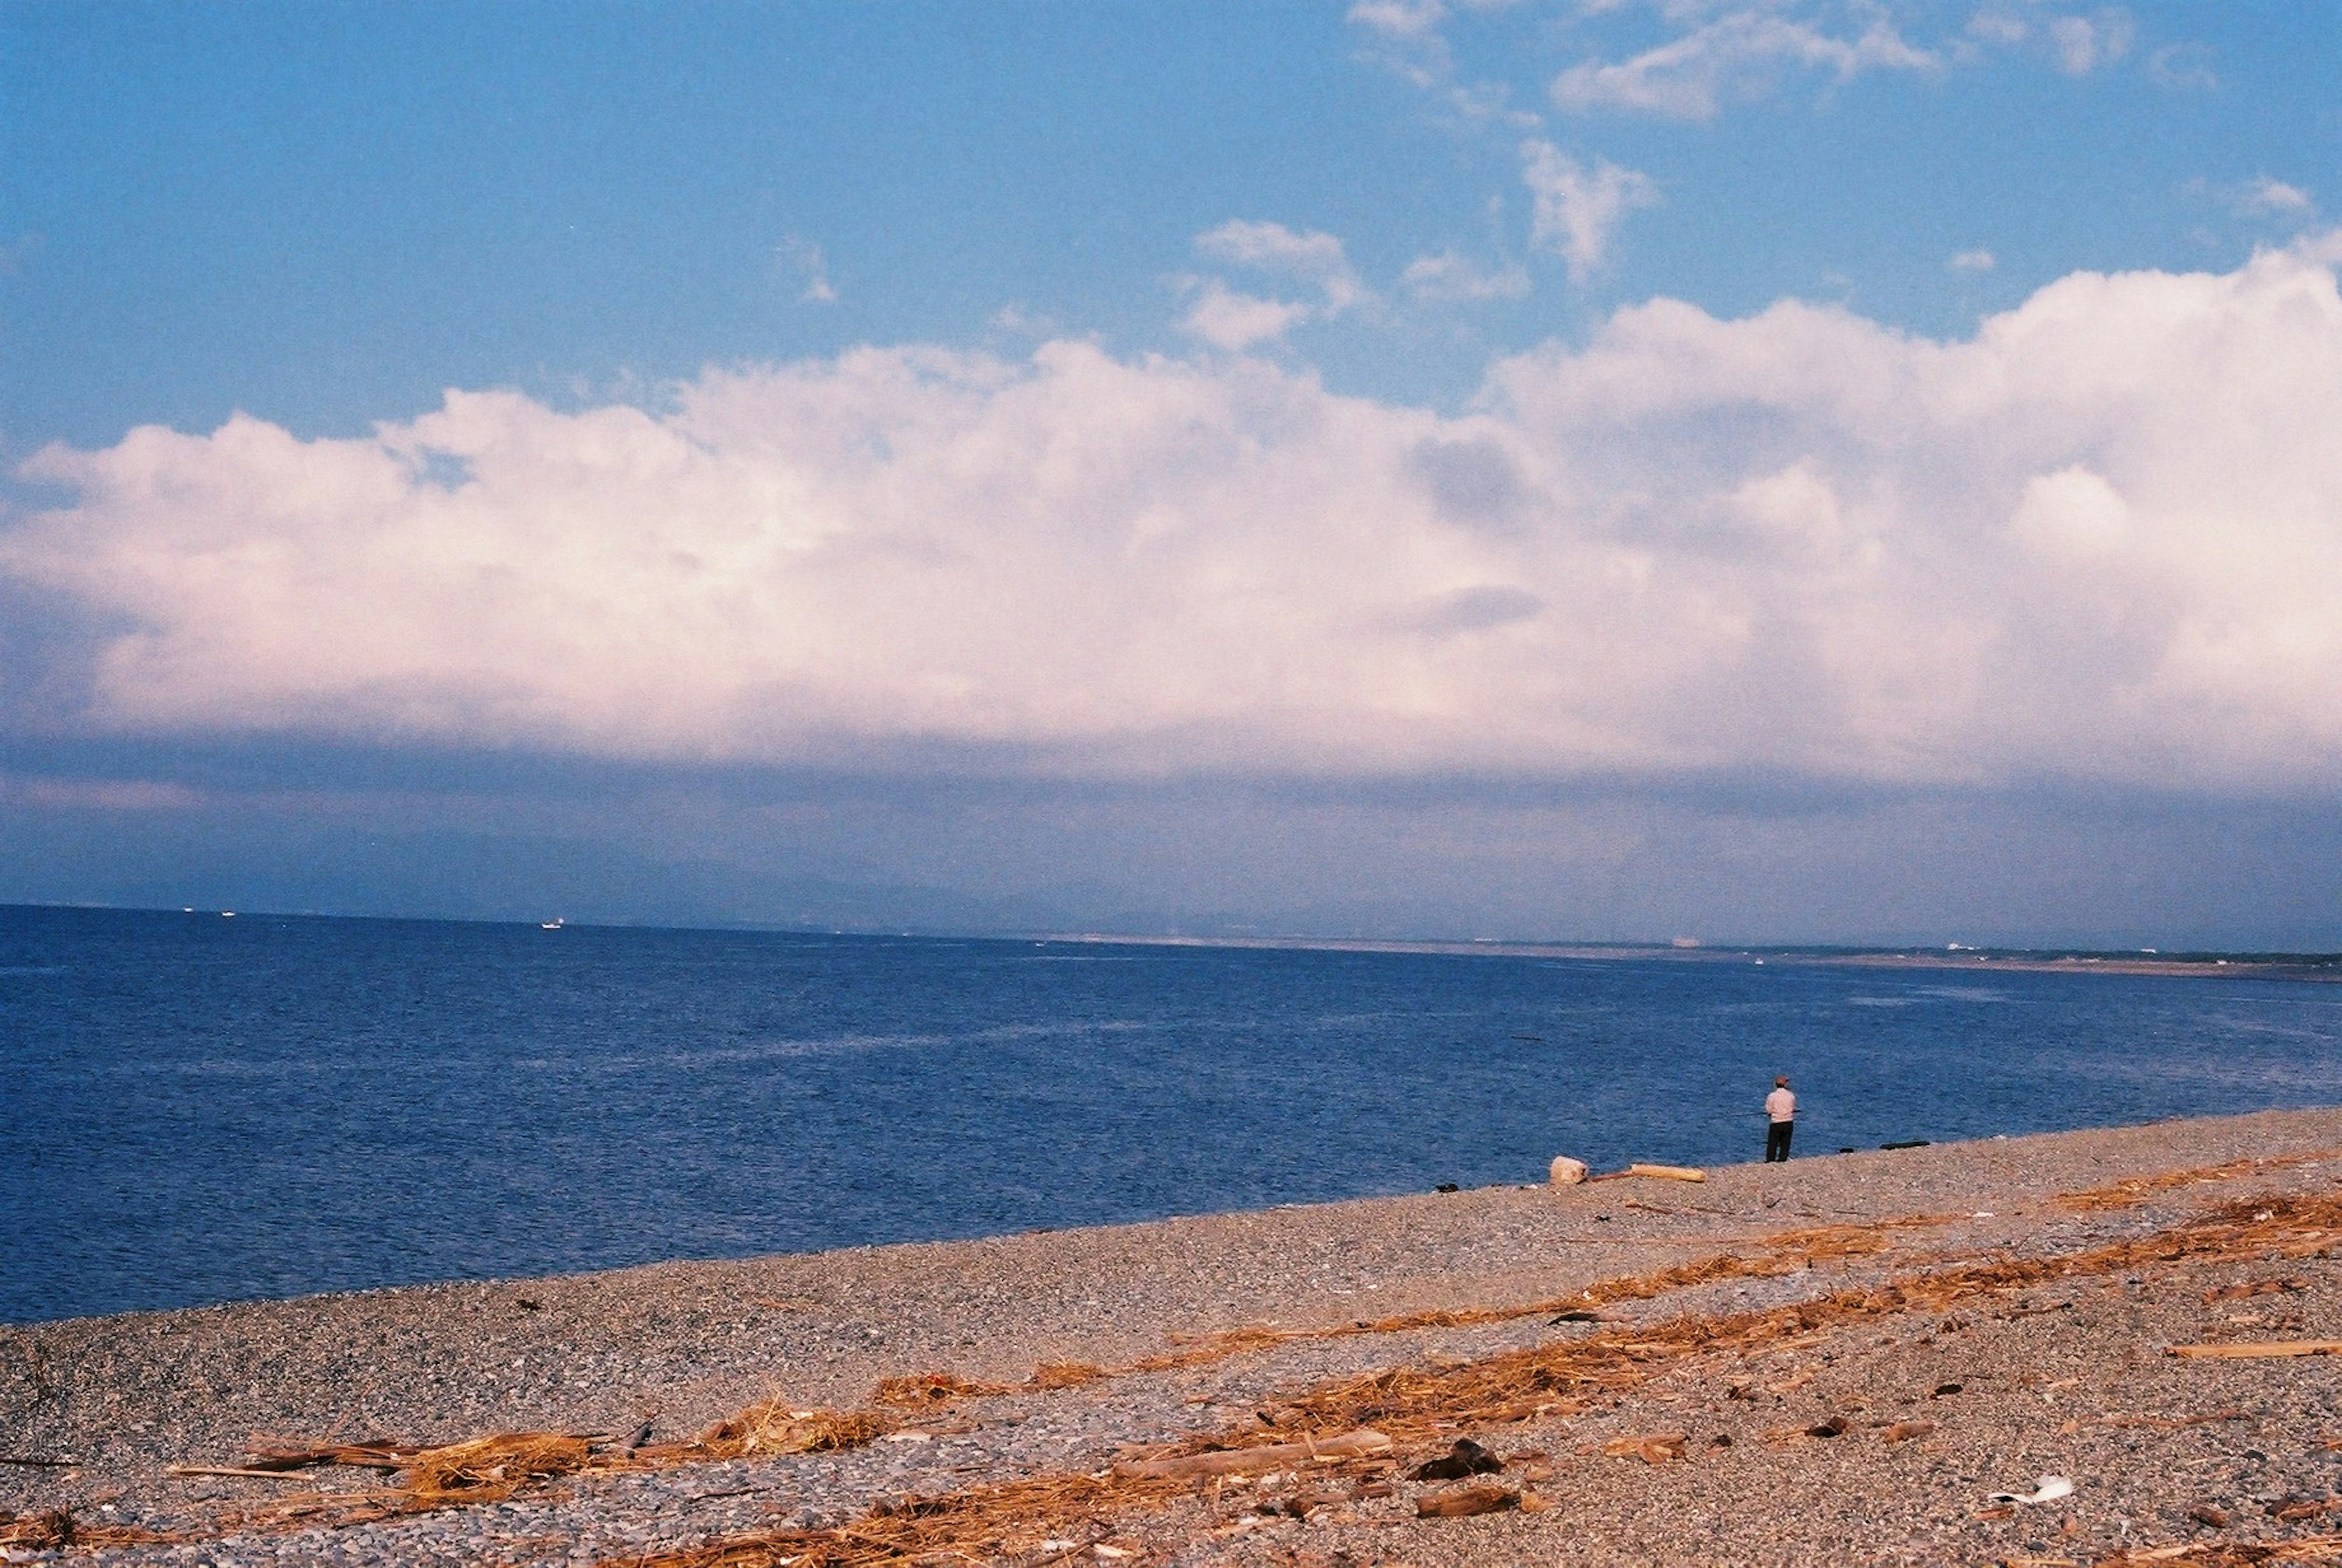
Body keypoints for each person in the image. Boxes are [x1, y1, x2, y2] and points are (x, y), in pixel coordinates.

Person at [1764, 1075, 1796, 1162]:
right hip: (1788, 1121)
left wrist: (1770, 1113)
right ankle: (1783, 1158)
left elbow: (1769, 1109)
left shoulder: (1772, 1096)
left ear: (1775, 1084)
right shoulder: (1791, 1095)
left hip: (1776, 1121)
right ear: (1786, 1084)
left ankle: (1771, 1159)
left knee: (1773, 1143)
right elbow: (1792, 1107)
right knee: (1786, 1142)